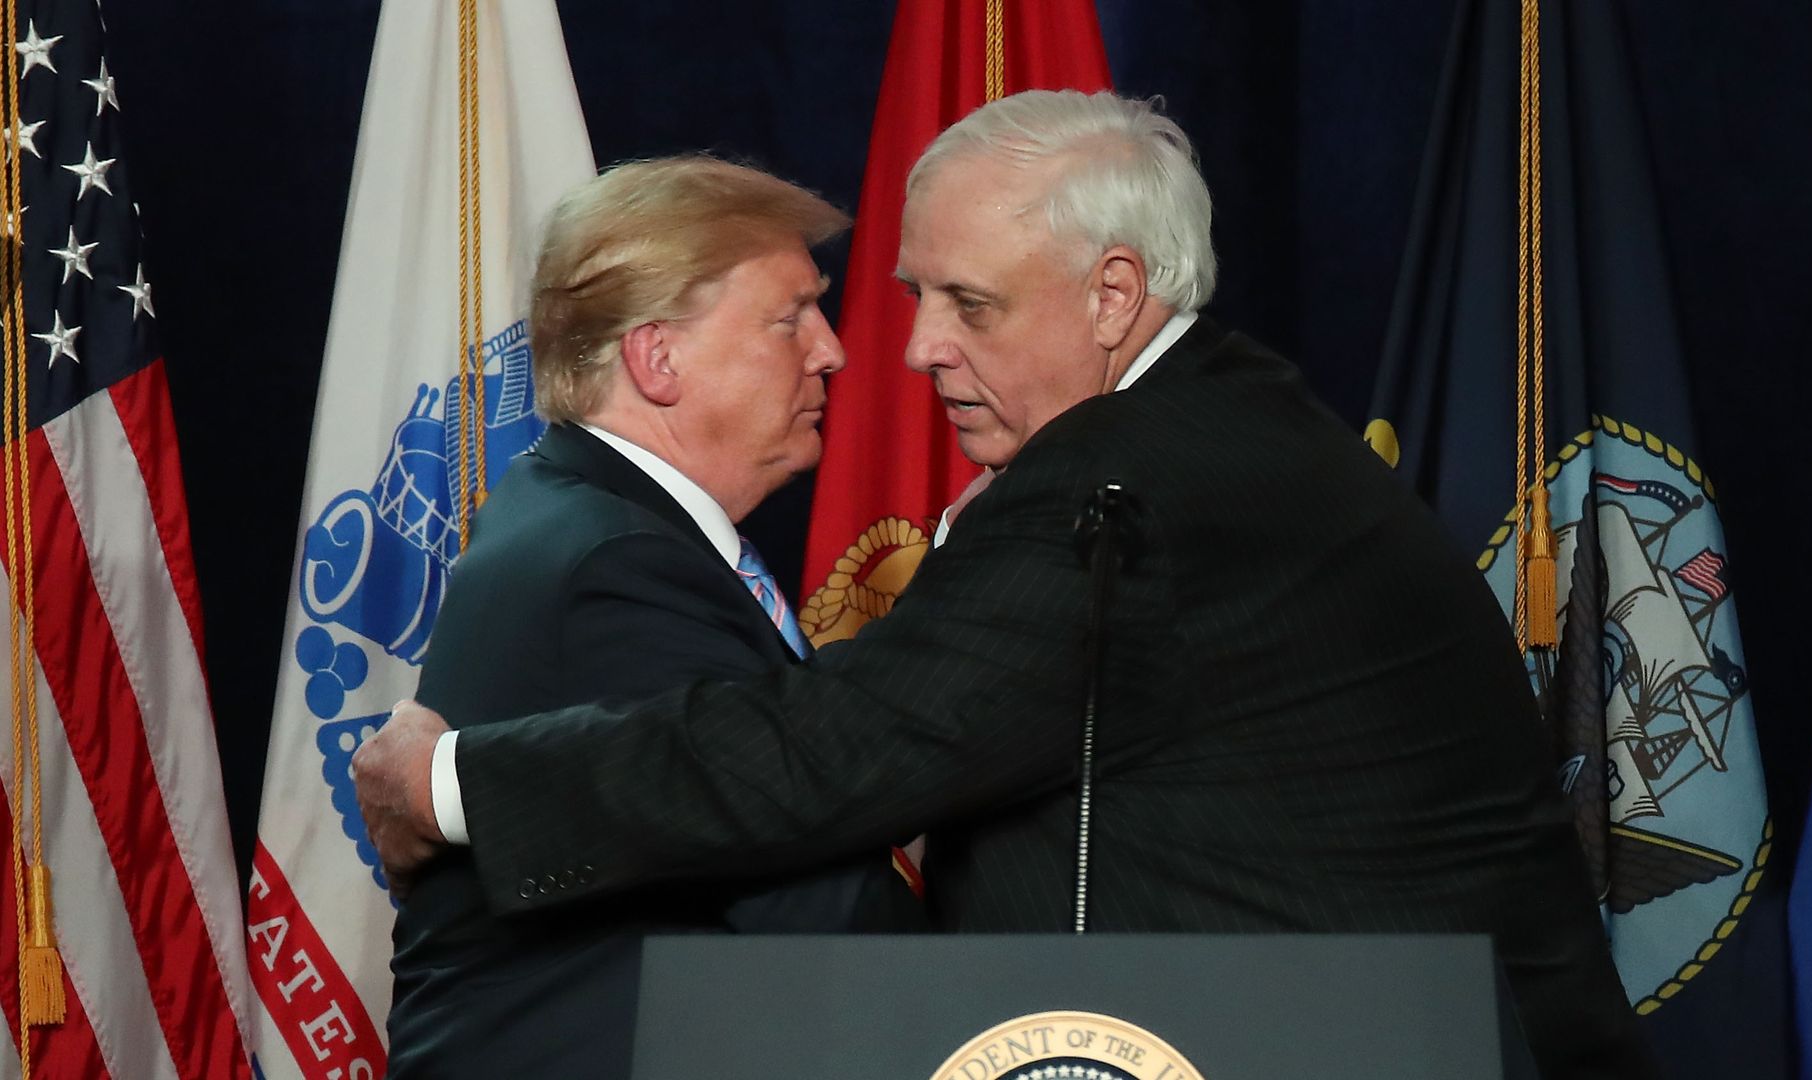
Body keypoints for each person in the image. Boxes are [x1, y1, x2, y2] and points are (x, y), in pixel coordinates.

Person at [355, 91, 1655, 1077]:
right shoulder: (1208, 436)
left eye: (967, 305)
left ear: (1113, 296)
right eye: (918, 294)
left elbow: (842, 748)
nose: (911, 348)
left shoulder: (1136, 488)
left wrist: (456, 784)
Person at [378, 155, 922, 1078]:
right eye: (791, 316)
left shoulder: (580, 508)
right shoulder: (616, 568)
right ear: (657, 356)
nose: (830, 348)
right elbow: (814, 907)